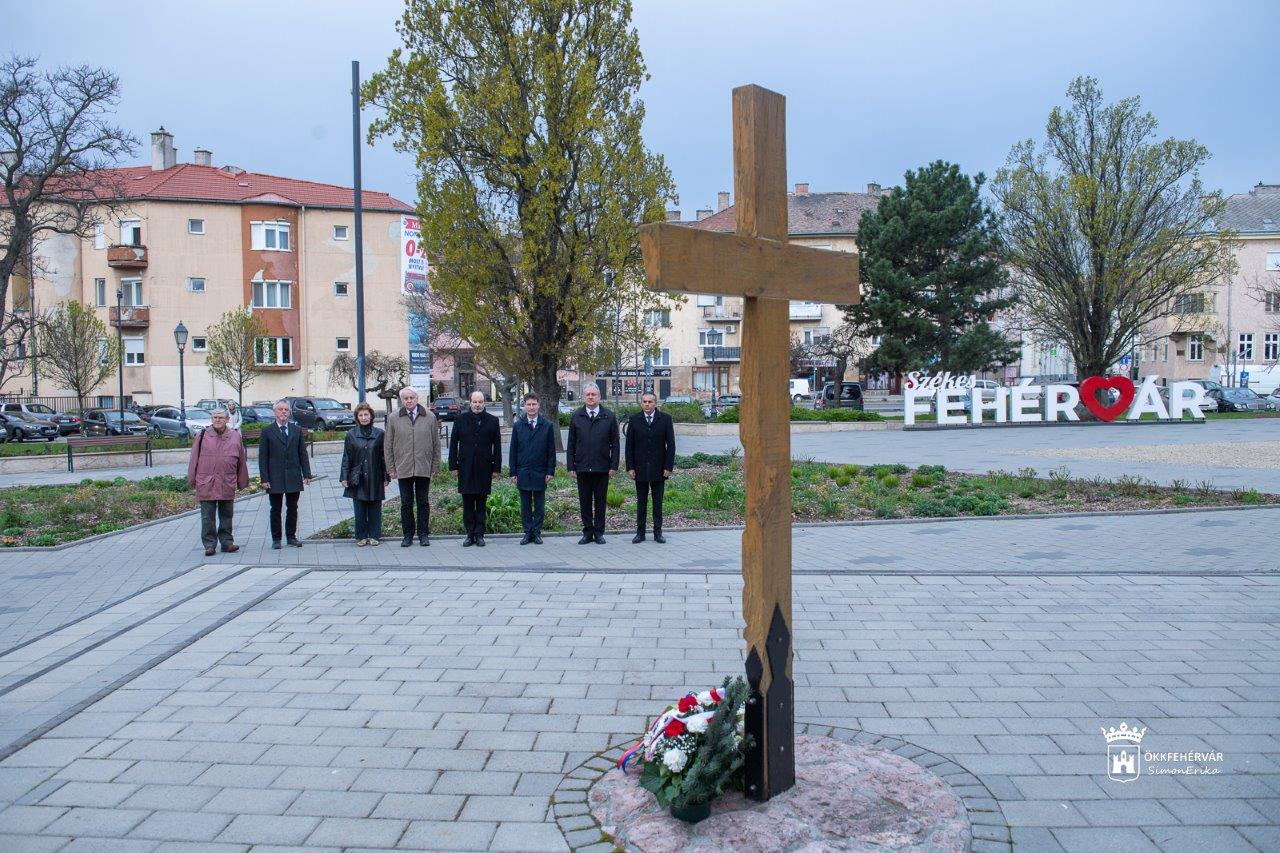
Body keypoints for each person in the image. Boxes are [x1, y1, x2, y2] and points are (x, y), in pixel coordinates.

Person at [187, 407, 249, 556]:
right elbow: (193, 459)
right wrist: (192, 479)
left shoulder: (235, 436)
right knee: (207, 516)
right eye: (215, 417)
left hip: (226, 480)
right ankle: (209, 544)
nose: (218, 420)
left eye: (221, 417)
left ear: (227, 420)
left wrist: (242, 481)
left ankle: (227, 542)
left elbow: (241, 460)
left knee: (227, 514)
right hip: (206, 481)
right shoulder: (201, 435)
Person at [384, 385, 440, 547]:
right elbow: (388, 445)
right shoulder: (394, 418)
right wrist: (391, 468)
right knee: (406, 503)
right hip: (403, 467)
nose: (409, 401)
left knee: (423, 502)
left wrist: (435, 465)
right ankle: (407, 535)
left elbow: (436, 443)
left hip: (424, 467)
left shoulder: (429, 417)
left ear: (417, 398)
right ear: (402, 400)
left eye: (411, 398)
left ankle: (423, 534)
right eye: (406, 398)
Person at [565, 383, 619, 544]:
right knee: (585, 501)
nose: (590, 397)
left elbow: (615, 444)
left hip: (602, 467)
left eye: (593, 394)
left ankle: (599, 533)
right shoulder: (577, 416)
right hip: (582, 467)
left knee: (600, 502)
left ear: (599, 397)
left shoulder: (608, 416)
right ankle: (587, 532)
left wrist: (613, 465)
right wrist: (570, 466)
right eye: (587, 394)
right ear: (583, 397)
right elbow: (571, 444)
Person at [449, 391, 501, 547]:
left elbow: (497, 446)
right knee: (467, 503)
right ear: (470, 403)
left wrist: (496, 468)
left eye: (480, 402)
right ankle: (469, 534)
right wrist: (453, 466)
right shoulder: (460, 420)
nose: (477, 404)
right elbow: (453, 444)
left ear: (484, 403)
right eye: (475, 402)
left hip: (484, 467)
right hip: (465, 467)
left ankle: (479, 535)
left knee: (481, 503)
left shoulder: (492, 421)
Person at [258, 398, 313, 549]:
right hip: (274, 477)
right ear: (274, 412)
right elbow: (262, 457)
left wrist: (307, 474)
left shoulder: (296, 430)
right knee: (275, 508)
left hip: (293, 475)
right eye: (280, 409)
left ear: (289, 412)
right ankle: (276, 538)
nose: (283, 412)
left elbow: (302, 453)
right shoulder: (267, 431)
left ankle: (291, 536)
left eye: (286, 410)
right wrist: (264, 478)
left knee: (292, 507)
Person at [625, 392, 676, 544]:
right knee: (641, 502)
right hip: (639, 468)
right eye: (644, 401)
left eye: (650, 402)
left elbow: (671, 445)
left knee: (657, 502)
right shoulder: (634, 420)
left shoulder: (665, 419)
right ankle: (640, 533)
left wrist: (668, 466)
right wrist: (630, 467)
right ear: (641, 403)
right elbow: (629, 446)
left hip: (659, 468)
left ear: (655, 403)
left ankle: (658, 533)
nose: (647, 404)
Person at [509, 392, 555, 545]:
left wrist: (550, 471)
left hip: (540, 472)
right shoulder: (518, 426)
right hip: (523, 471)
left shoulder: (547, 426)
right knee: (525, 505)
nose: (531, 407)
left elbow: (551, 451)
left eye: (534, 404)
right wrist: (513, 471)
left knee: (539, 505)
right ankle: (527, 533)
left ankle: (537, 532)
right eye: (528, 404)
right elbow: (513, 450)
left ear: (539, 405)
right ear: (524, 406)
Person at [340, 402, 390, 546]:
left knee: (375, 507)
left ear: (371, 416)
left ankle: (374, 535)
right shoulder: (351, 434)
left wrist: (385, 476)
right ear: (357, 417)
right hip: (358, 477)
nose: (363, 417)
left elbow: (383, 457)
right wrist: (344, 476)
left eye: (366, 414)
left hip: (375, 475)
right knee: (360, 508)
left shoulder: (379, 434)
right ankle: (361, 536)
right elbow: (346, 457)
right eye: (360, 415)